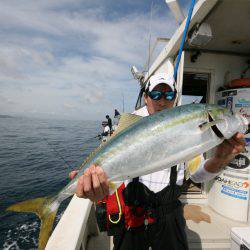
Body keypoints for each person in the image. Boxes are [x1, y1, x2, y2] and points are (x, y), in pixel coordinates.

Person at [69, 73, 246, 250]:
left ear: (175, 97)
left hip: (170, 217)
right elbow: (110, 170)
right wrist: (95, 185)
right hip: (132, 217)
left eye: (169, 95)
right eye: (155, 95)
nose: (162, 101)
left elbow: (198, 176)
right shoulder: (130, 125)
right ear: (146, 97)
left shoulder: (186, 126)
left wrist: (220, 158)